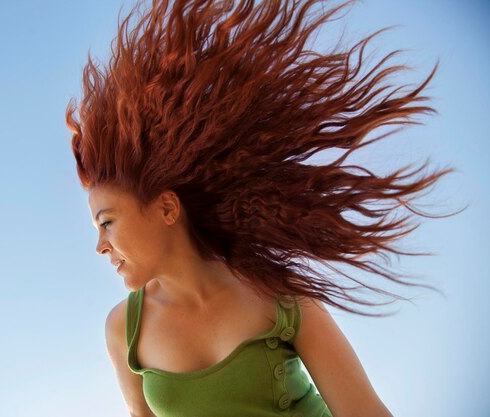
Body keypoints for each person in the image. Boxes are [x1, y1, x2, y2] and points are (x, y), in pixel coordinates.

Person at [66, 0, 464, 416]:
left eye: (107, 222)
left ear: (167, 208)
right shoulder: (123, 331)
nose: (100, 245)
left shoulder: (277, 293)